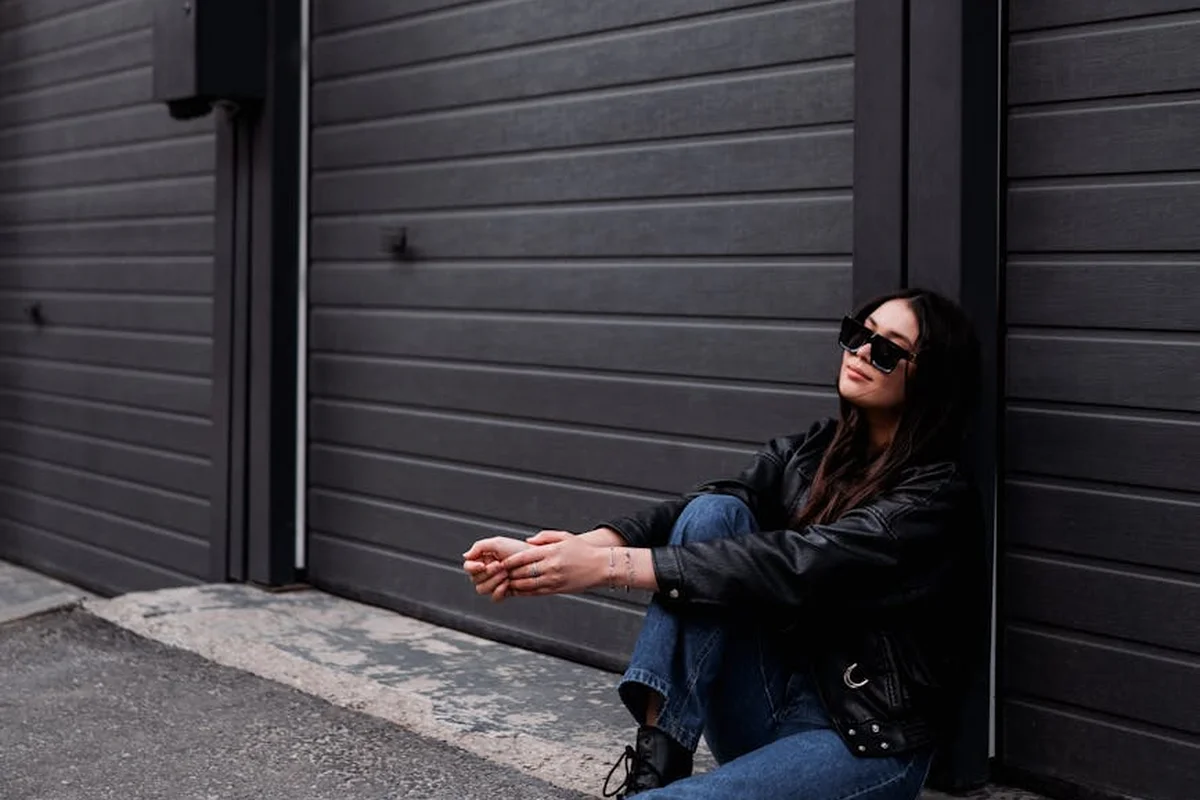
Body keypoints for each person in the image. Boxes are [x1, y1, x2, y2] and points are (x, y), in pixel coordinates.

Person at [462, 288, 987, 799]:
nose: (863, 352)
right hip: (764, 704)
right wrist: (572, 550)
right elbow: (704, 506)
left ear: (932, 377)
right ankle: (658, 763)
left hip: (861, 740)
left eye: (890, 349)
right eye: (858, 334)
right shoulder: (813, 450)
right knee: (714, 513)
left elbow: (799, 563)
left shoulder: (935, 493)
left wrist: (608, 568)